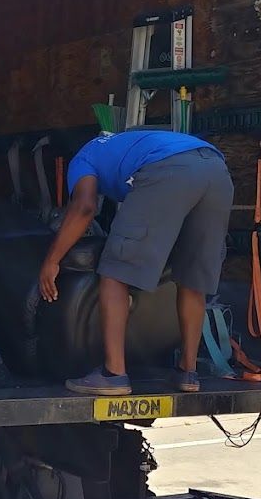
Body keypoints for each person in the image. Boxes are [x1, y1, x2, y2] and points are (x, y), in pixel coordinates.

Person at [39, 129, 234, 395]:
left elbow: (84, 207)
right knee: (192, 279)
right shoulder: (124, 143)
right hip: (216, 171)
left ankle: (113, 374)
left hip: (170, 170)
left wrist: (52, 260)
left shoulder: (83, 158)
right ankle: (188, 372)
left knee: (115, 271)